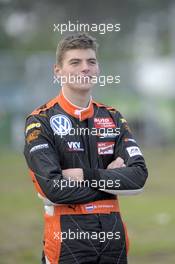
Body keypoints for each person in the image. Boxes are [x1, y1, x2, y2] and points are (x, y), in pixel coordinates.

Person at [24, 33, 148, 264]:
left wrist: (85, 176)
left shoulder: (113, 118)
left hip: (114, 236)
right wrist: (112, 182)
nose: (85, 69)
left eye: (91, 62)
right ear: (58, 71)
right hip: (67, 238)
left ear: (98, 68)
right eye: (75, 62)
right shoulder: (40, 121)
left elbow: (139, 176)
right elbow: (53, 188)